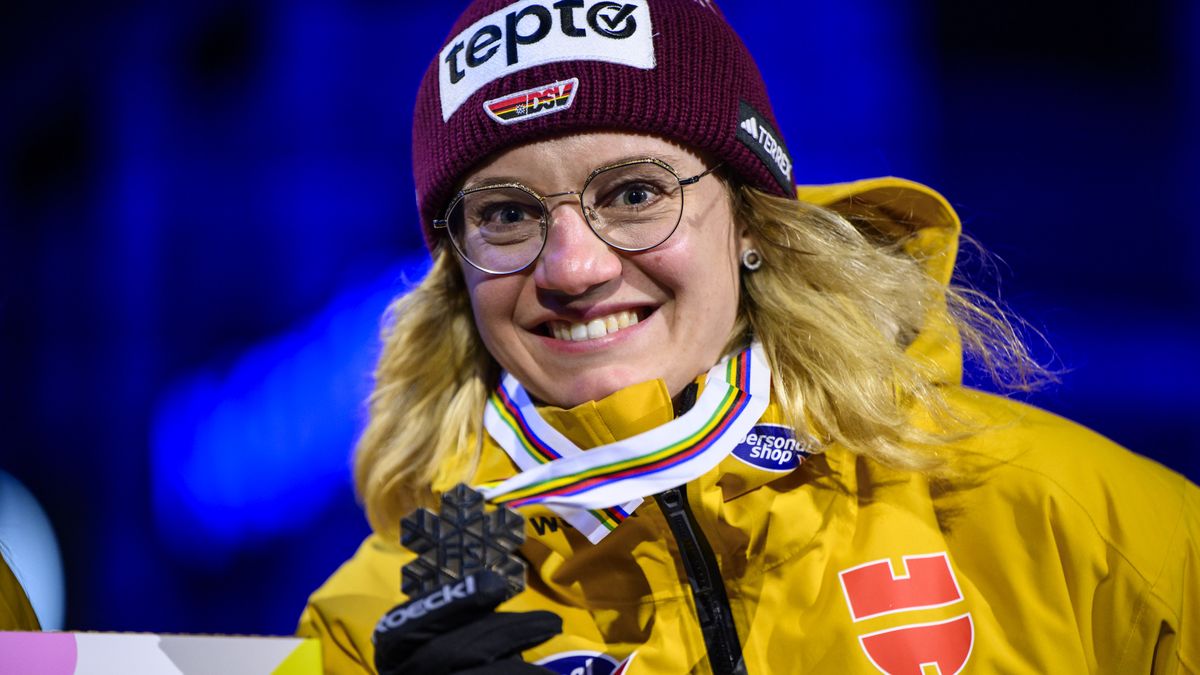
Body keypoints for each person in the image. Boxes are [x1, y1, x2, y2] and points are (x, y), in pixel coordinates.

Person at [299, 1, 1200, 673]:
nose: (572, 267)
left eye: (635, 194)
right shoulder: (375, 626)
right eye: (505, 214)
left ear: (751, 224)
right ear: (456, 271)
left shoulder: (1080, 523)